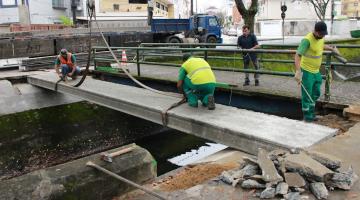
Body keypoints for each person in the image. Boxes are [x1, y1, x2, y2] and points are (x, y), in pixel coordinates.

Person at [294, 21, 339, 122]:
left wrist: (331, 48)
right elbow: (297, 55)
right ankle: (307, 116)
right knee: (307, 94)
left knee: (316, 92)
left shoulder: (321, 38)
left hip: (316, 71)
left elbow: (321, 45)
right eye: (321, 34)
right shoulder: (307, 40)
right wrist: (298, 71)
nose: (323, 36)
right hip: (306, 71)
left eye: (324, 34)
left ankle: (311, 112)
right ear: (315, 31)